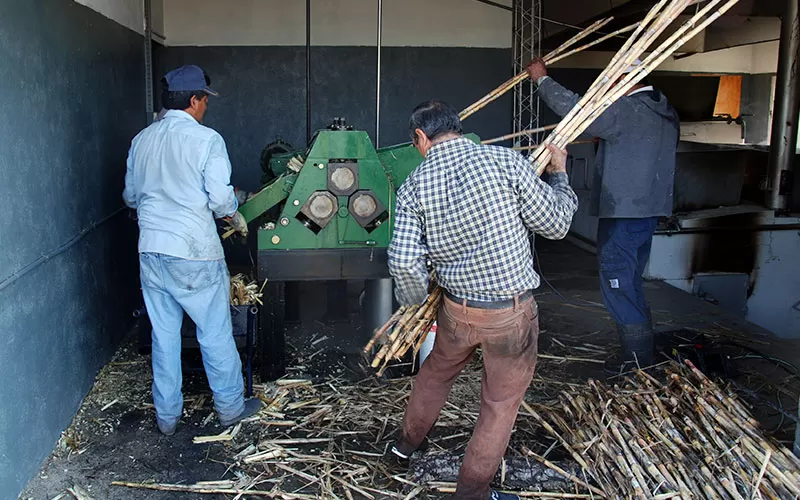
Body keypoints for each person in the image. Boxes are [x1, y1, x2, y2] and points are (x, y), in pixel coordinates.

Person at [387, 101, 578, 500]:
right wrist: (560, 174)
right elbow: (556, 225)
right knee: (499, 403)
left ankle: (404, 446)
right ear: (457, 128)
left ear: (421, 138)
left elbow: (404, 261)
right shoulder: (506, 162)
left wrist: (414, 303)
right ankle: (472, 493)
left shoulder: (415, 184)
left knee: (435, 373)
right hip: (510, 314)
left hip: (457, 310)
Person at [123, 65, 260, 436]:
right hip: (194, 251)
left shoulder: (142, 140)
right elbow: (219, 200)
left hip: (151, 250)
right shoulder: (206, 140)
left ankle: (167, 418)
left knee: (163, 334)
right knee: (213, 330)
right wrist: (235, 215)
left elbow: (130, 197)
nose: (206, 108)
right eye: (205, 101)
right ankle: (230, 409)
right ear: (195, 100)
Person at [526, 58, 680, 373]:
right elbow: (635, 146)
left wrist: (541, 79)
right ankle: (642, 351)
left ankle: (636, 361)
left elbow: (575, 109)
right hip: (646, 211)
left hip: (624, 212)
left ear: (627, 79)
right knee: (630, 281)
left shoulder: (629, 110)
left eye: (611, 83)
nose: (607, 90)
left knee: (618, 282)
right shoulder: (663, 110)